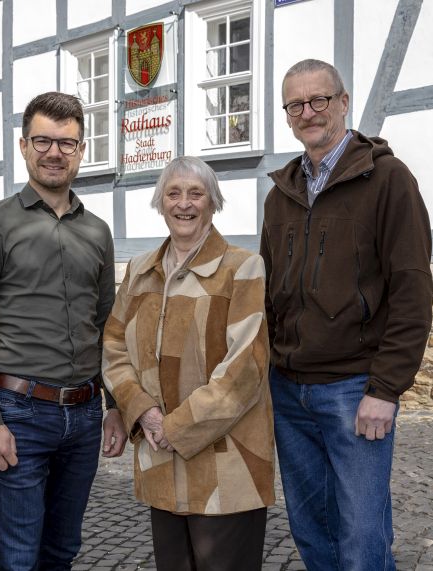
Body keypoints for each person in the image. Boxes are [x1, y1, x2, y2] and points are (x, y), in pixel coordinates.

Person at [260, 59, 433, 570]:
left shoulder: (388, 180)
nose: (308, 112)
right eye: (296, 104)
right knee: (312, 530)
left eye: (319, 100)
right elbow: (269, 294)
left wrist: (386, 390)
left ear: (343, 102)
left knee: (361, 536)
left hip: (354, 390)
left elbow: (412, 290)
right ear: (287, 115)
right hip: (289, 391)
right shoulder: (281, 195)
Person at [0, 91, 127, 570]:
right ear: (24, 146)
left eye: (67, 144)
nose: (54, 153)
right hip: (18, 415)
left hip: (86, 416)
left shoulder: (97, 232)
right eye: (43, 141)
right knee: (15, 558)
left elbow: (107, 326)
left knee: (61, 553)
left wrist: (115, 406)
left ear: (81, 150)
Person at [102, 156, 275, 571]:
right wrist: (141, 411)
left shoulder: (242, 268)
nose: (184, 204)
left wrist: (173, 428)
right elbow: (113, 346)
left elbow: (245, 367)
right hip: (160, 464)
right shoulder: (140, 271)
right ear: (160, 203)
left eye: (196, 193)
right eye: (173, 193)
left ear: (212, 203)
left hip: (229, 467)